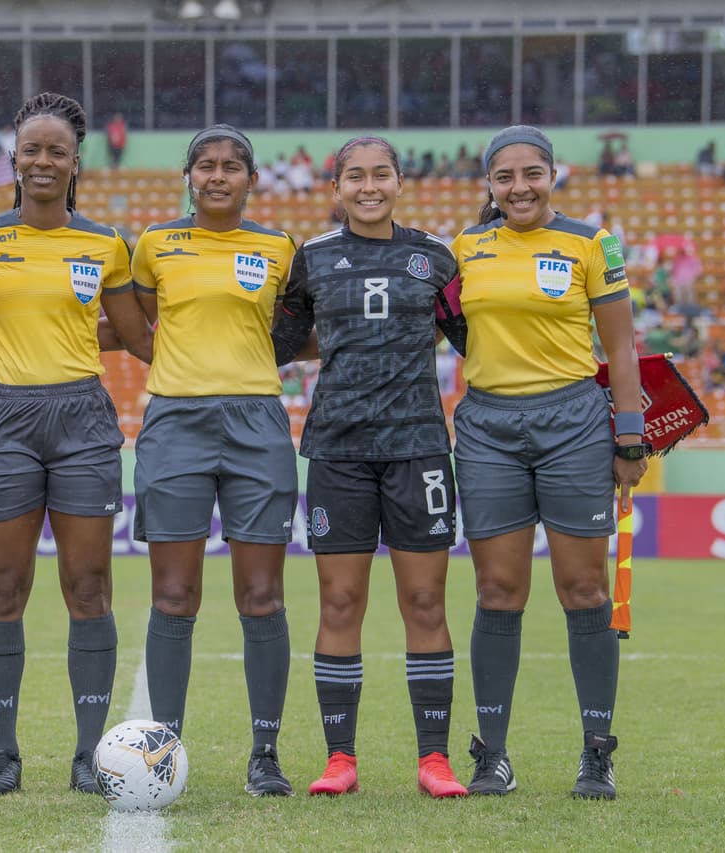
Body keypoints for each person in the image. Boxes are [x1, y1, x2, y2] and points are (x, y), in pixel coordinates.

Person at [0, 92, 152, 795]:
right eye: (31, 150)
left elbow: (134, 336)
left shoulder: (105, 243)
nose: (43, 161)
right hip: (8, 416)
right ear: (13, 159)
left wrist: (67, 338)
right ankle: (3, 754)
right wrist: (11, 352)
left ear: (77, 163)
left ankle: (87, 753)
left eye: (57, 151)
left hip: (83, 420)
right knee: (2, 587)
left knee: (88, 586)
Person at [451, 125, 647, 800]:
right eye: (504, 176)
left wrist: (630, 435)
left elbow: (621, 349)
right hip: (487, 429)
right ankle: (492, 754)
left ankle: (597, 752)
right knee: (498, 592)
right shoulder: (466, 248)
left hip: (573, 427)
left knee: (583, 591)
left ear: (553, 175)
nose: (519, 186)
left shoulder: (592, 242)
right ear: (489, 185)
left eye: (532, 173)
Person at [271, 136, 469, 799]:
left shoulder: (437, 258)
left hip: (418, 448)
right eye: (354, 175)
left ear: (400, 181)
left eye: (380, 173)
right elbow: (280, 340)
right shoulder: (313, 256)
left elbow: (471, 335)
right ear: (335, 187)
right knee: (340, 600)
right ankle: (339, 758)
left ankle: (434, 758)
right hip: (337, 449)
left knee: (423, 599)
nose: (368, 186)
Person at [131, 124, 298, 797]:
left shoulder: (281, 248)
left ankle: (265, 754)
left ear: (252, 179)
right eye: (205, 165)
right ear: (189, 175)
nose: (218, 175)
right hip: (175, 419)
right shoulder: (155, 246)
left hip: (258, 420)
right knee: (174, 594)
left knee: (261, 596)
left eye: (232, 166)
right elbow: (146, 319)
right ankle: (162, 750)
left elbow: (292, 329)